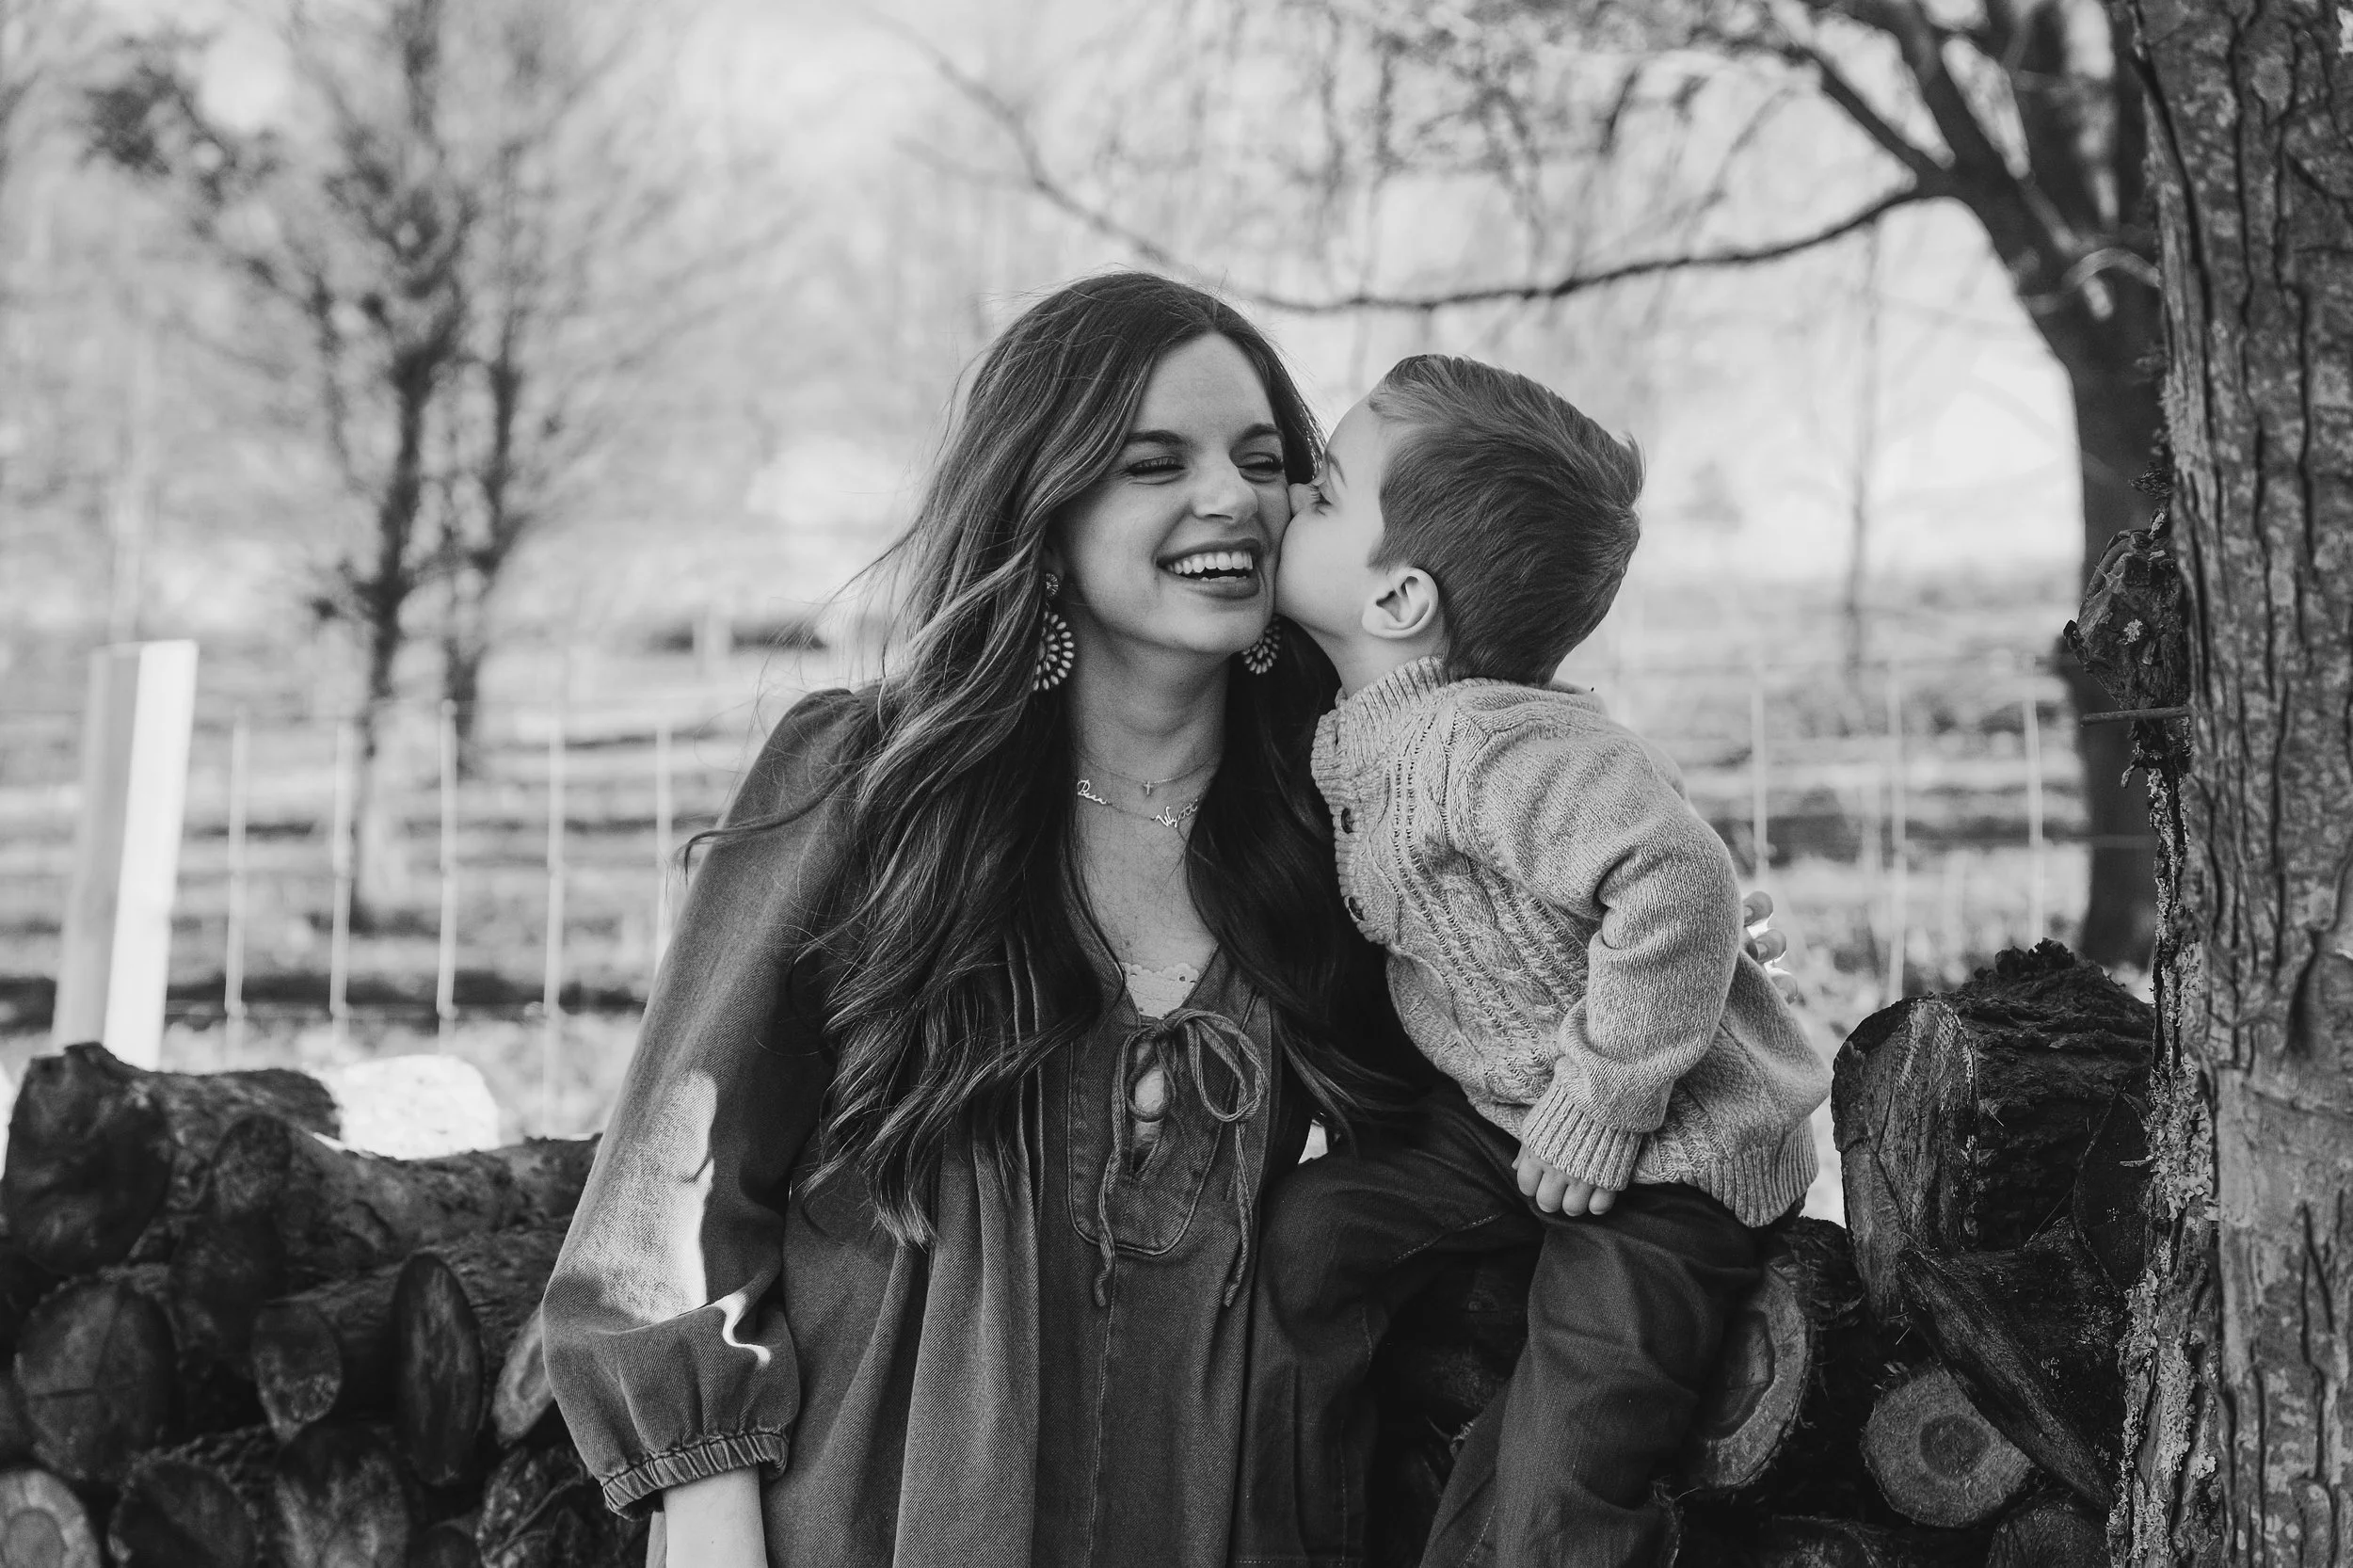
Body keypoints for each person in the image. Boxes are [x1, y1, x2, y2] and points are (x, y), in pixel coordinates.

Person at [540, 272, 1428, 1568]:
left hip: (1210, 1518)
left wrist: (1663, 964)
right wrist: (704, 1496)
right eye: (1150, 462)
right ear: (1045, 503)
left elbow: (1490, 1072)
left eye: (1265, 458)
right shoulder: (875, 786)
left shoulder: (1336, 820)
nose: (1233, 498)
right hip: (866, 1515)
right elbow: (669, 1193)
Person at [1232, 354, 1831, 1567]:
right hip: (1503, 1117)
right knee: (1307, 1240)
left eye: (1328, 493)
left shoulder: (1493, 745)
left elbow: (1682, 878)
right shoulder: (1371, 724)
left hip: (1666, 1148)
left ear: (1400, 599)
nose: (1292, 498)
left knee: (1570, 1437)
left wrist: (1607, 1100)